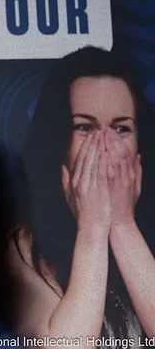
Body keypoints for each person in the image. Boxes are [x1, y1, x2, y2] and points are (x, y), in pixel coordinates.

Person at [8, 46, 155, 342]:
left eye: (121, 129)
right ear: (58, 142)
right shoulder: (23, 247)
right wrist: (93, 229)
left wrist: (122, 225)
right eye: (85, 127)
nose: (105, 145)